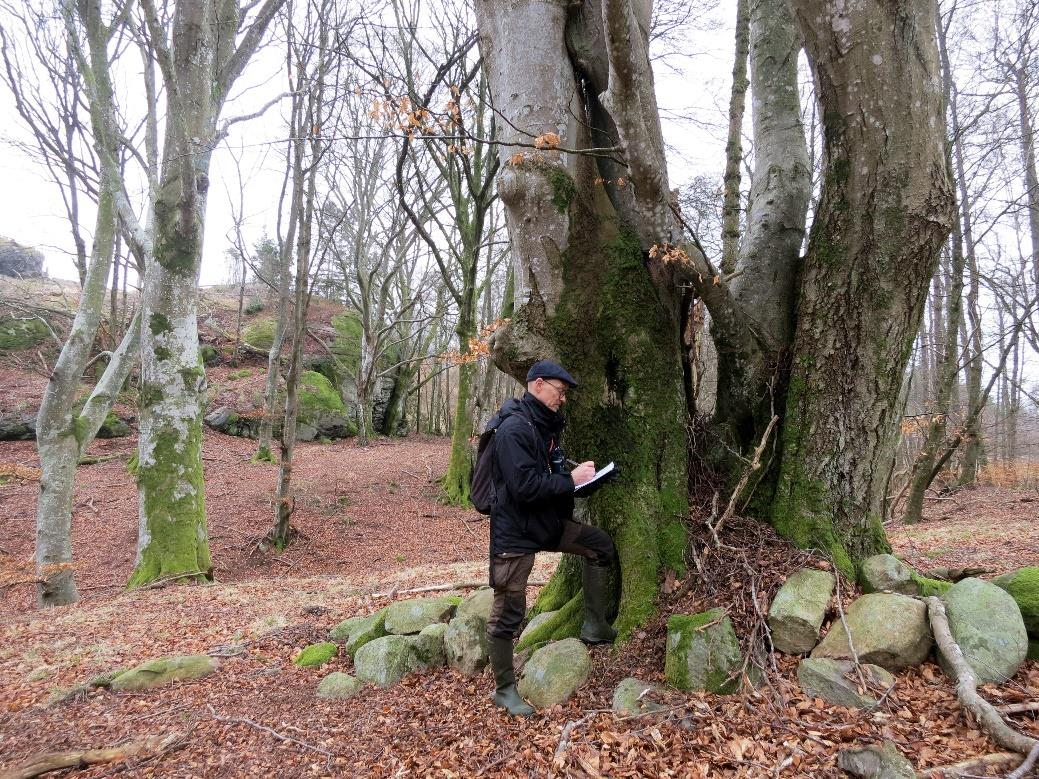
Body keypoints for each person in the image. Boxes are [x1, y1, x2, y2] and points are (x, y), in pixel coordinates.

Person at [484, 360, 616, 717]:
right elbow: (525, 487)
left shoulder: (542, 426)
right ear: (538, 385)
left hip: (545, 523)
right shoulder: (514, 429)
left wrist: (586, 481)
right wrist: (570, 480)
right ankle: (505, 689)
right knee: (508, 610)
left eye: (565, 394)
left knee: (599, 545)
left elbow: (549, 478)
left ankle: (594, 625)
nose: (563, 399)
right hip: (514, 533)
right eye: (560, 392)